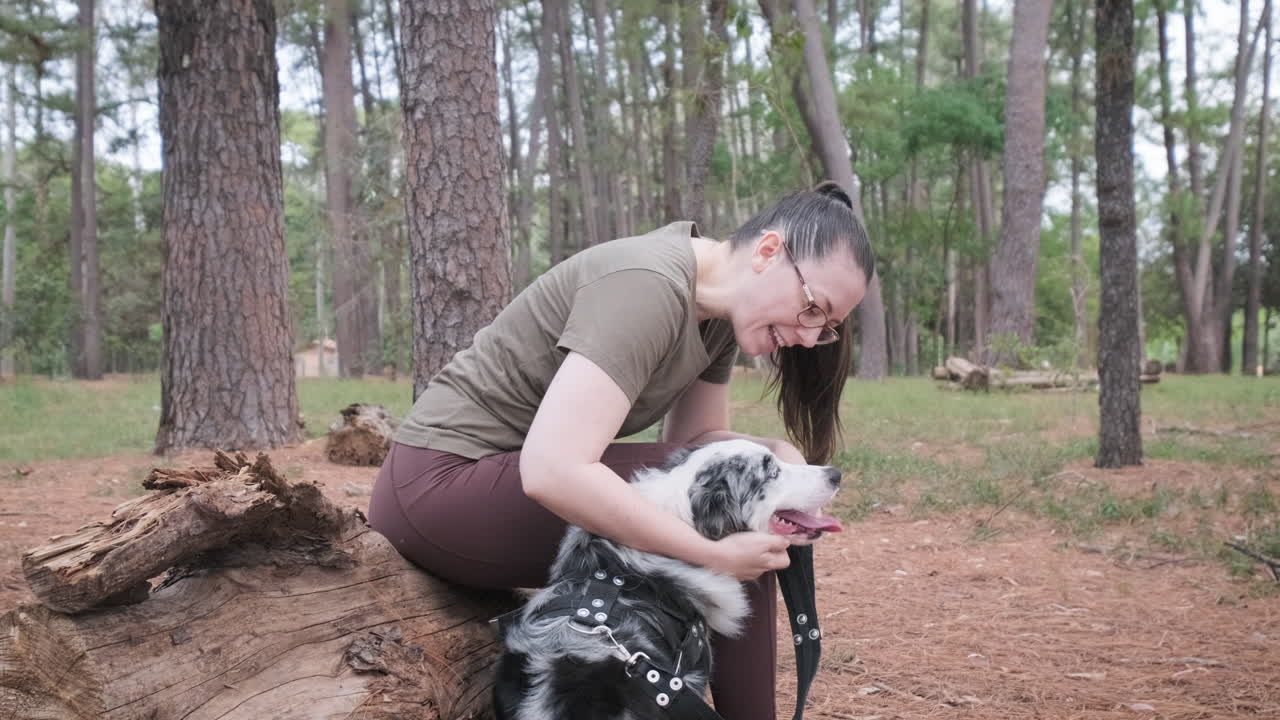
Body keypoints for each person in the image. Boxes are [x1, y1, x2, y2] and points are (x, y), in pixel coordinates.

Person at [368, 181, 875, 719]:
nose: (807, 335)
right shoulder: (647, 285)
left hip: (494, 483)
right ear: (769, 252)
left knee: (755, 506)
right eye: (812, 308)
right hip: (440, 488)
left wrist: (772, 450)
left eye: (827, 327)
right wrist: (710, 553)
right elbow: (553, 470)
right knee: (743, 517)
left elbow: (698, 442)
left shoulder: (722, 316)